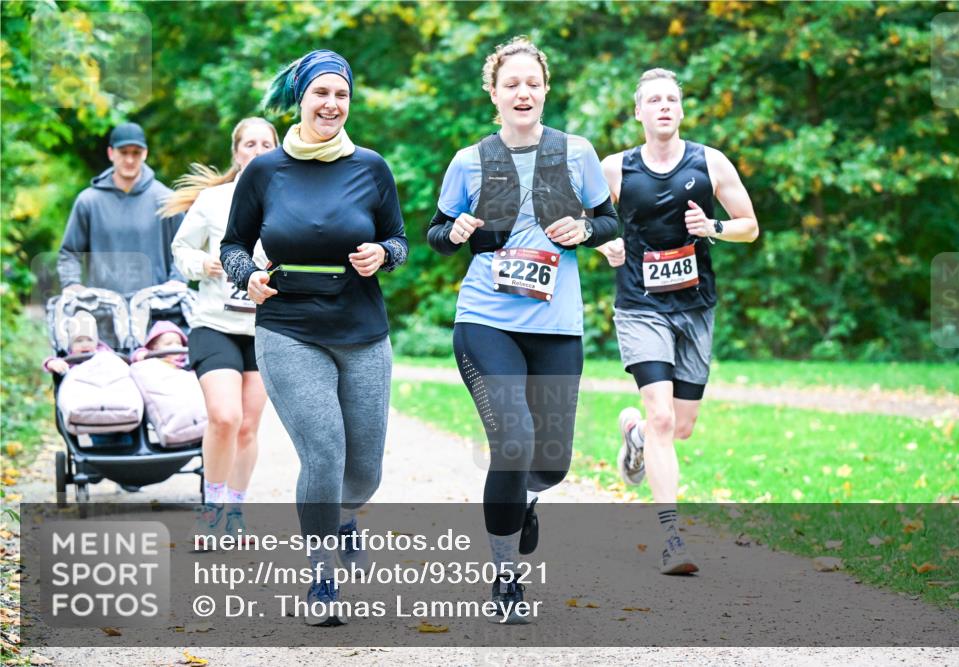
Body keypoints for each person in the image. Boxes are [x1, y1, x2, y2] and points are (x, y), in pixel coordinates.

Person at [427, 37, 620, 623]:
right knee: (512, 442)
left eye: (532, 83)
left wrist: (585, 232)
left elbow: (611, 219)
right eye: (511, 83)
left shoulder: (577, 152)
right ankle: (506, 576)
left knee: (551, 460)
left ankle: (529, 496)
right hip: (486, 320)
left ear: (545, 90)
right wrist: (458, 233)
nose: (522, 92)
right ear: (493, 92)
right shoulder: (470, 159)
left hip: (557, 325)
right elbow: (437, 233)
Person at [220, 49, 407, 627]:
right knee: (323, 450)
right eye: (321, 94)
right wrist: (246, 275)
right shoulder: (264, 171)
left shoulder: (371, 167)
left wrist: (384, 254)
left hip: (363, 332)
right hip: (288, 330)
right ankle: (321, 575)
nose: (331, 104)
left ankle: (346, 517)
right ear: (301, 99)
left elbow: (399, 240)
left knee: (364, 470)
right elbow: (233, 244)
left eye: (341, 95)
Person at [596, 68, 759, 574]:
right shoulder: (616, 169)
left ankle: (638, 437)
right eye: (654, 100)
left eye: (672, 99)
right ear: (639, 112)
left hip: (695, 306)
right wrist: (605, 241)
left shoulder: (708, 162)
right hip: (640, 305)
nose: (664, 106)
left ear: (681, 111)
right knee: (663, 416)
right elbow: (579, 218)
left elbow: (749, 226)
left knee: (680, 427)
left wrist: (711, 226)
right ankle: (673, 541)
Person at [164, 117, 278, 544]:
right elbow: (181, 249)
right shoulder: (214, 201)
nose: (258, 150)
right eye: (250, 143)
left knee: (249, 426)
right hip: (215, 323)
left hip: (266, 326)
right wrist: (203, 265)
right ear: (237, 152)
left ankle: (234, 511)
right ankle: (211, 509)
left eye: (267, 143)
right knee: (225, 416)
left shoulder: (290, 199)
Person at [58, 122, 186, 296]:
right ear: (111, 153)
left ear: (145, 153)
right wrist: (71, 283)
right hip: (103, 308)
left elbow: (185, 249)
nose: (130, 160)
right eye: (123, 152)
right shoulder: (88, 201)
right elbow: (69, 252)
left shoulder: (167, 200)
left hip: (157, 309)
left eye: (136, 153)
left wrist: (177, 280)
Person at [43, 312, 111, 375]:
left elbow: (115, 360)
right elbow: (49, 362)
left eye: (89, 340)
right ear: (71, 345)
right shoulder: (69, 359)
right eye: (79, 341)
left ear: (96, 342)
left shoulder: (103, 352)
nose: (85, 345)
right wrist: (53, 364)